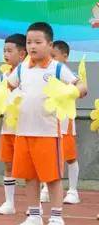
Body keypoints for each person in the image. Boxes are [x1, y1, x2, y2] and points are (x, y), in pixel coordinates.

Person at [9, 21, 86, 225]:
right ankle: (34, 217)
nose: (32, 46)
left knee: (51, 177)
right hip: (23, 131)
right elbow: (8, 86)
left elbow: (82, 86)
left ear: (49, 44)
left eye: (38, 42)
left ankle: (56, 218)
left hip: (48, 132)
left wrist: (70, 93)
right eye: (29, 42)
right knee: (29, 176)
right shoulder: (22, 67)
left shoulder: (57, 68)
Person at [0, 33, 27, 216]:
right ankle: (9, 202)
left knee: (29, 167)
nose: (5, 54)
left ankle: (35, 204)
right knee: (8, 163)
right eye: (4, 50)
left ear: (22, 54)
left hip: (25, 127)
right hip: (8, 126)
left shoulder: (28, 72)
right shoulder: (4, 74)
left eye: (9, 50)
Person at [50, 39, 81, 205]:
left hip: (65, 122)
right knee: (49, 155)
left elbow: (79, 89)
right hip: (48, 121)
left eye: (54, 56)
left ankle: (73, 190)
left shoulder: (70, 75)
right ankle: (46, 188)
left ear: (65, 56)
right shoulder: (45, 74)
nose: (51, 59)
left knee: (69, 156)